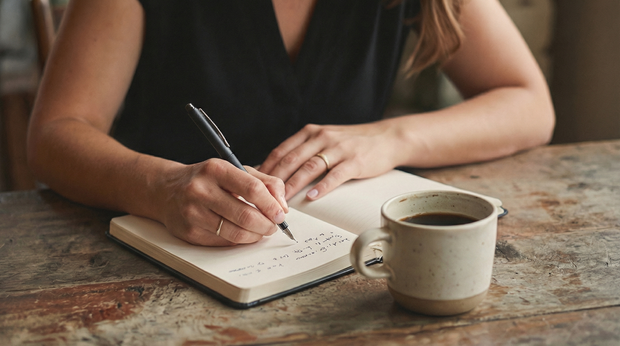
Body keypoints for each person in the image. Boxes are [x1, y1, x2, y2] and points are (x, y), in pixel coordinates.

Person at [27, 0, 554, 247]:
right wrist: (161, 187)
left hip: (348, 273)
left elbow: (529, 104)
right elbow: (55, 132)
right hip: (160, 258)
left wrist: (393, 135)